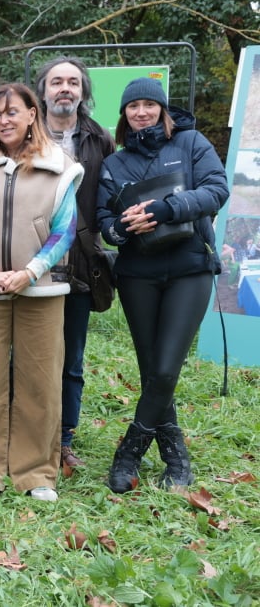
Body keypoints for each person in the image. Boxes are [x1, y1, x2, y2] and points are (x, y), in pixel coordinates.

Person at [97, 78, 229, 493]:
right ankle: (176, 459)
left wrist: (167, 208)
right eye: (132, 106)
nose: (141, 112)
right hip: (138, 274)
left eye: (148, 105)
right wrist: (119, 227)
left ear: (162, 110)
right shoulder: (114, 163)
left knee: (168, 366)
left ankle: (130, 452)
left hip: (190, 267)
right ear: (124, 115)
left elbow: (217, 189)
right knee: (153, 370)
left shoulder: (191, 144)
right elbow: (104, 221)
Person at [0, 83, 83, 504]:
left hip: (42, 289)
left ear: (32, 113)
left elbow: (65, 229)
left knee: (40, 381)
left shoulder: (61, 166)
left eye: (13, 112)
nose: (5, 120)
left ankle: (35, 472)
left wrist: (30, 271)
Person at [34, 57, 116, 469]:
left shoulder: (99, 139)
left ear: (83, 91)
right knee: (27, 356)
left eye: (72, 82)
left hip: (81, 267)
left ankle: (64, 440)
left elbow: (111, 199)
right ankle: (29, 434)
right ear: (43, 90)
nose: (64, 88)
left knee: (72, 358)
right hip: (30, 263)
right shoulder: (25, 135)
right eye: (56, 82)